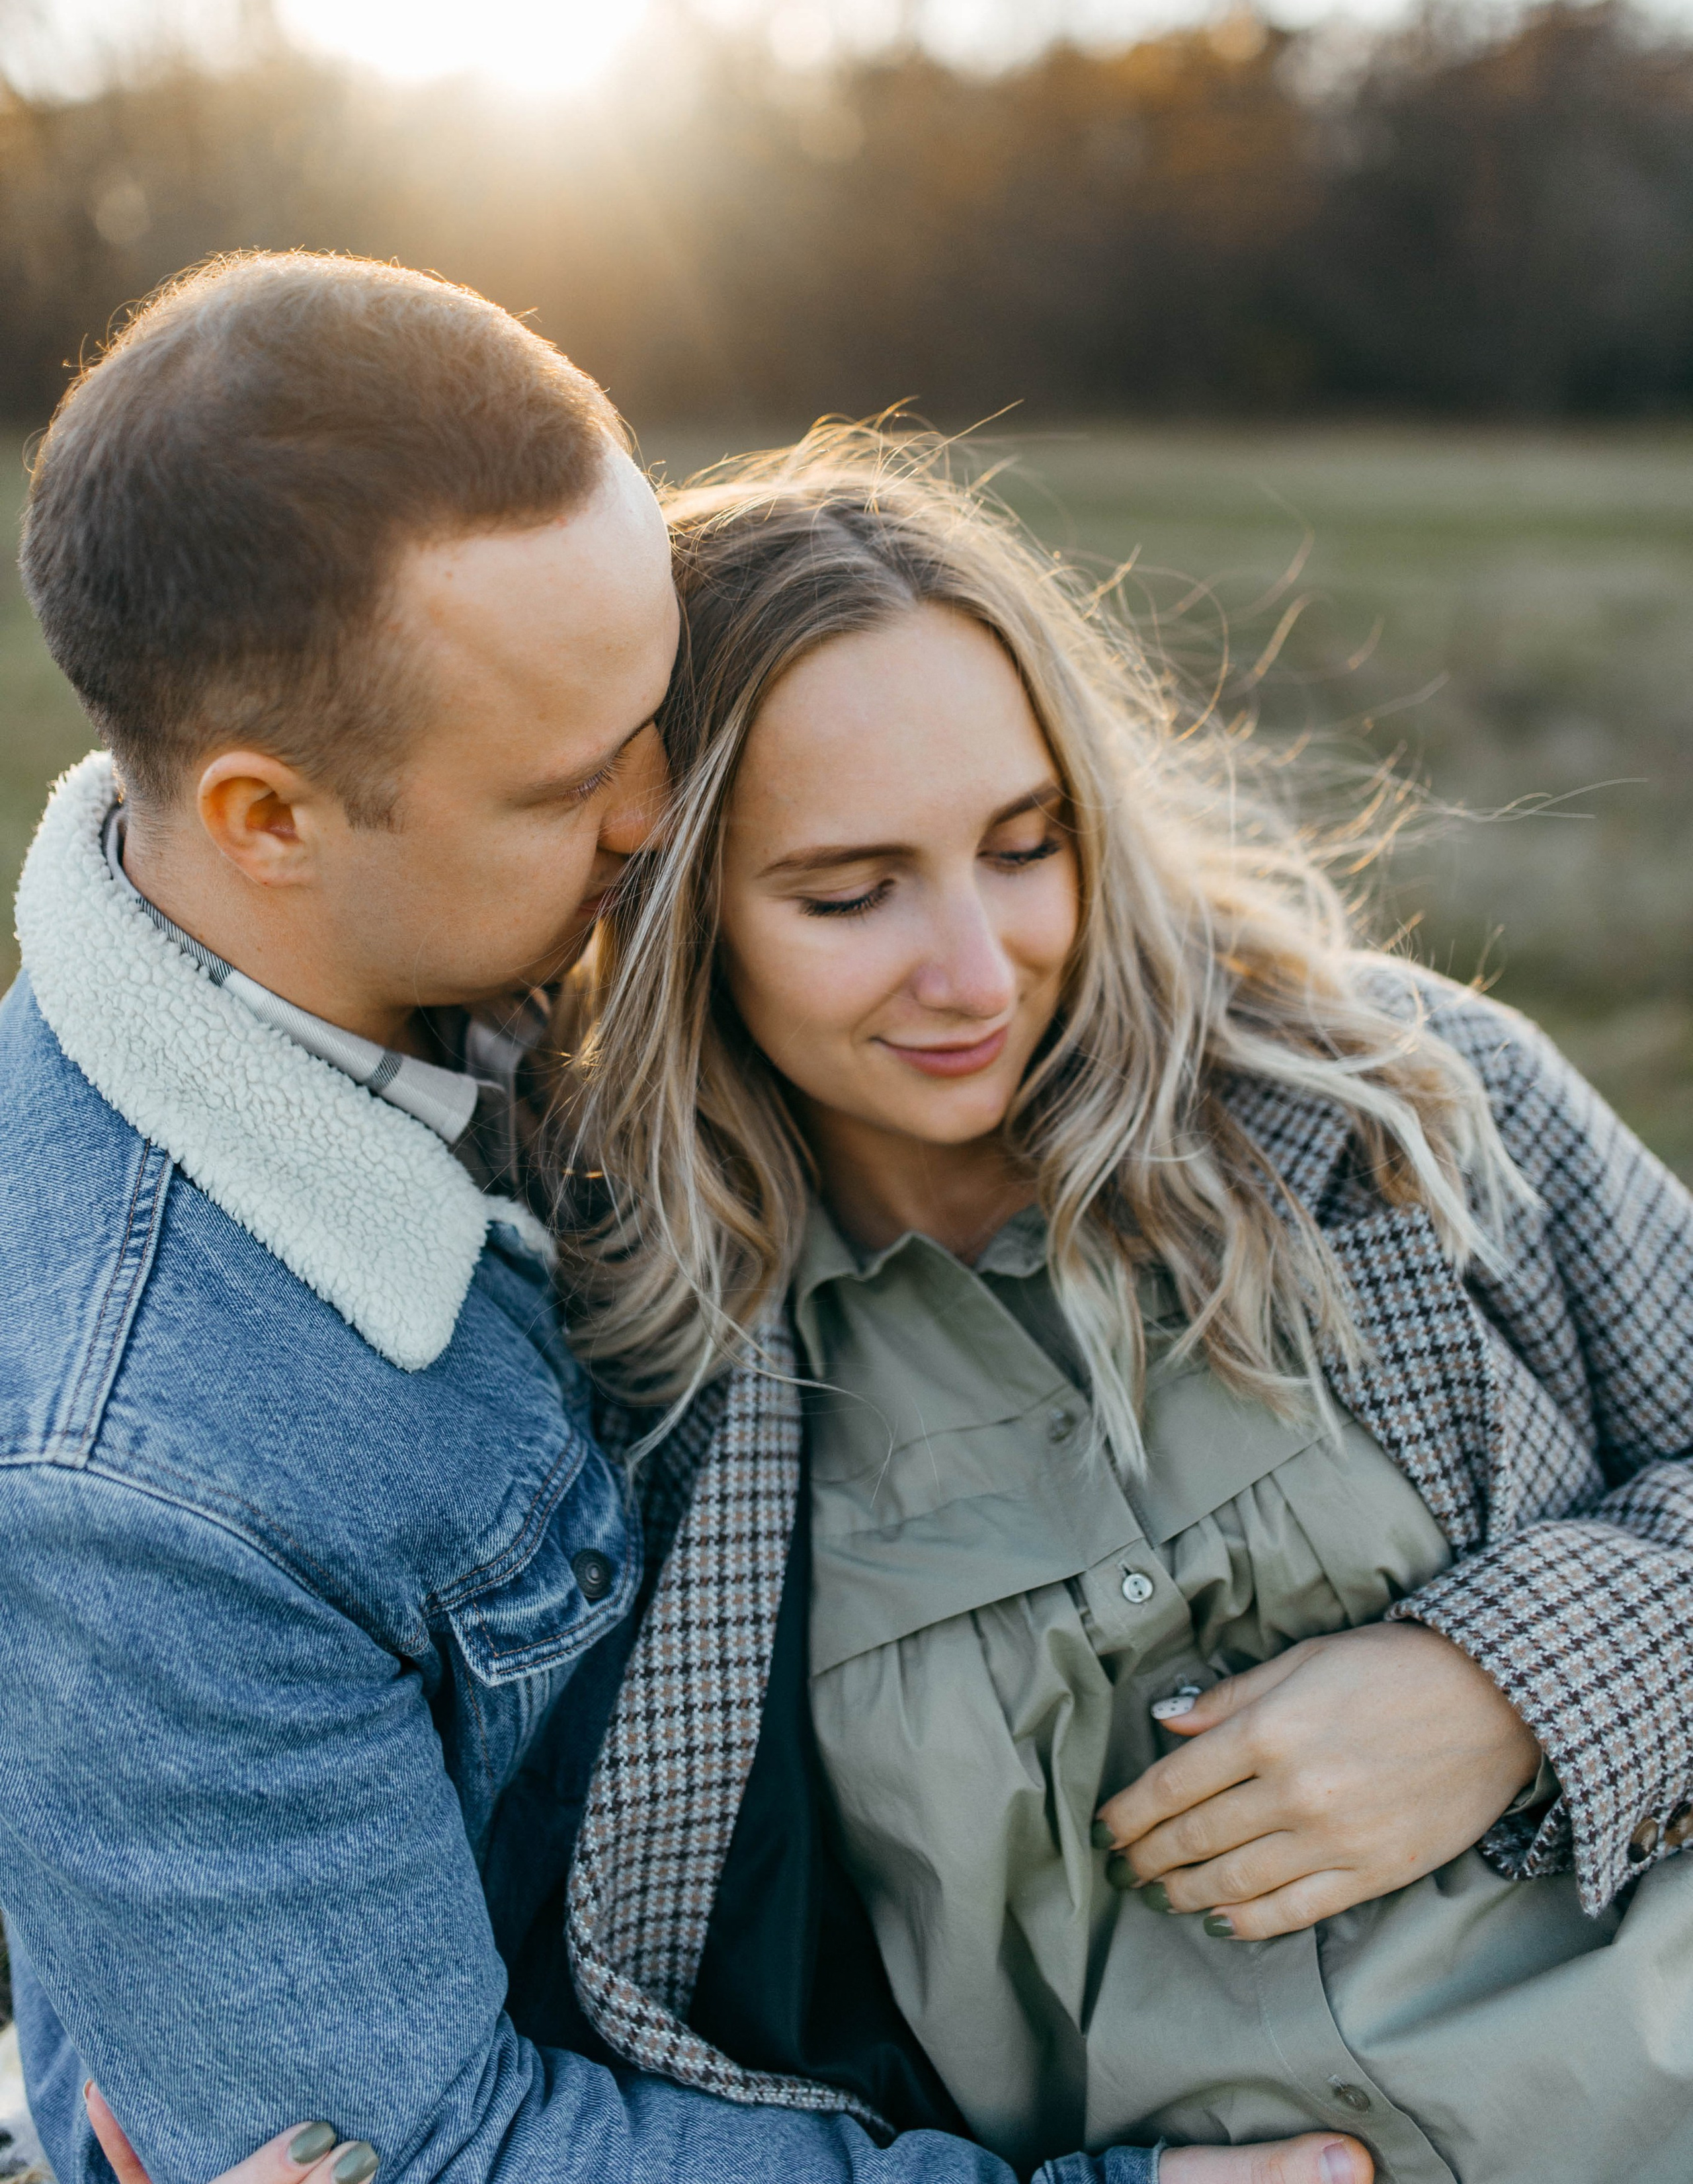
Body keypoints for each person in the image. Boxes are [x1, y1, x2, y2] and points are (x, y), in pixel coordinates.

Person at [0, 255, 1356, 2184]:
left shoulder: (493, 975)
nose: (666, 808)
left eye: (660, 704)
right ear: (269, 820)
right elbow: (435, 2154)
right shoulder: (126, 1477)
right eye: (573, 779)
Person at [556, 440, 1693, 2184]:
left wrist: (1507, 1686)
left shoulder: (1394, 1103)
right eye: (848, 892)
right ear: (671, 906)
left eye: (1026, 847)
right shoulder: (613, 1372)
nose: (974, 968)